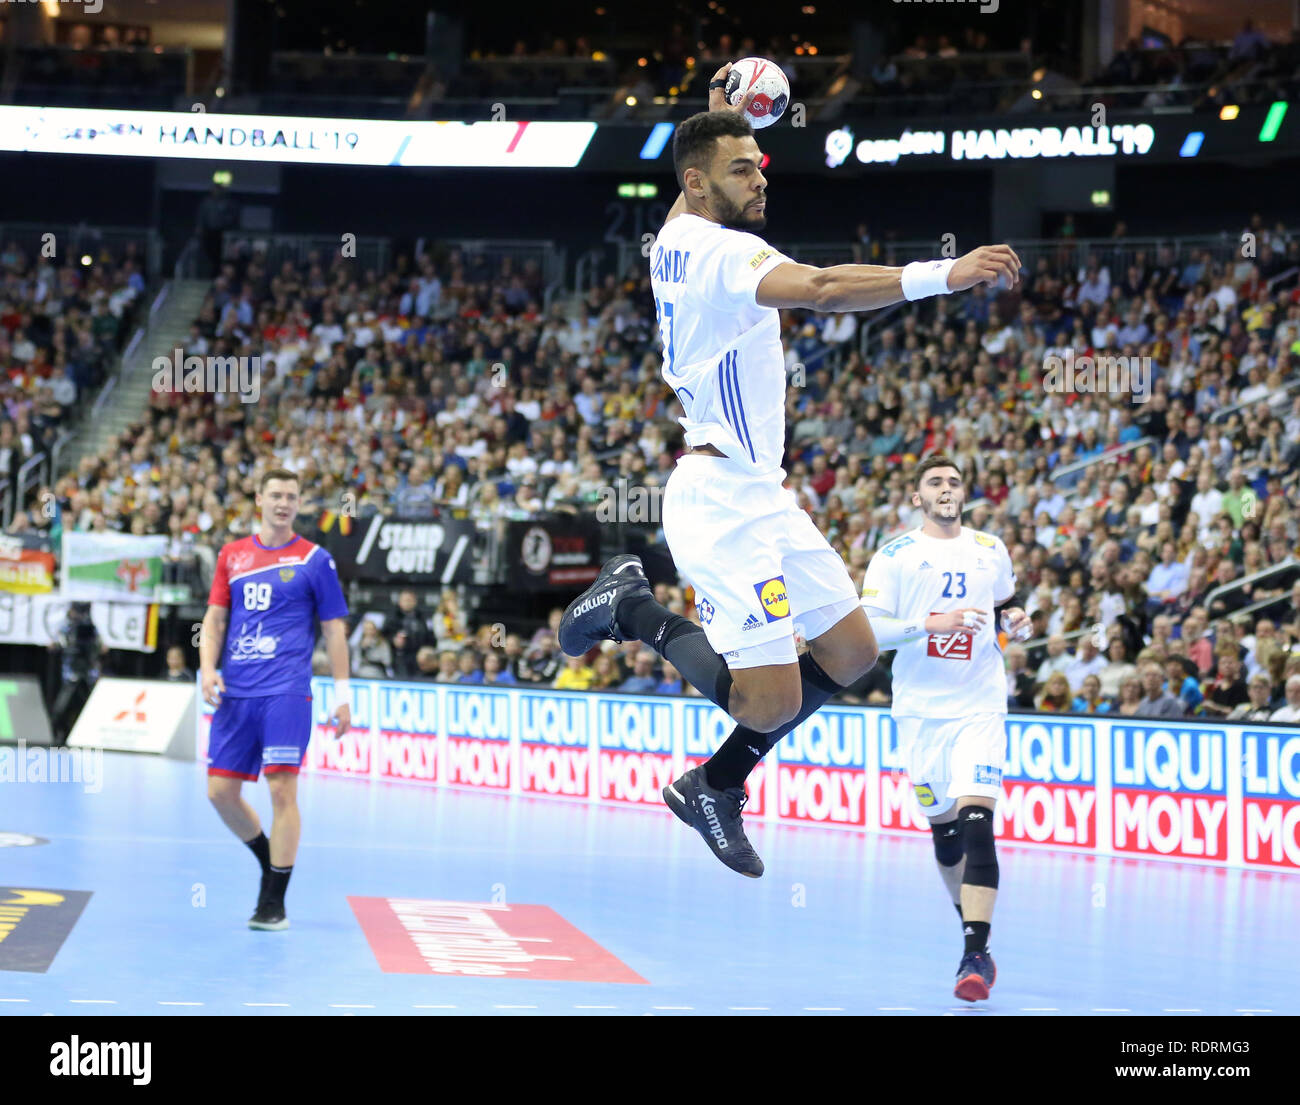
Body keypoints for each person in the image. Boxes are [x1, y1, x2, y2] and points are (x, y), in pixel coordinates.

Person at [557, 71, 1020, 880]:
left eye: (761, 163)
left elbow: (697, 168)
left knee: (851, 652)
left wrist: (718, 109)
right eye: (743, 169)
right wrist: (945, 275)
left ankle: (714, 783)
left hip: (761, 494)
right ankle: (631, 607)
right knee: (765, 700)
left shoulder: (675, 229)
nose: (761, 175)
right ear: (699, 183)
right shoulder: (720, 251)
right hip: (718, 500)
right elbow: (821, 288)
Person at [860, 456, 1032, 1003]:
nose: (946, 489)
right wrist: (929, 624)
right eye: (935, 482)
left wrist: (1016, 620)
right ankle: (970, 928)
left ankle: (974, 952)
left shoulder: (990, 549)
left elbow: (1006, 601)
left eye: (955, 482)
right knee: (946, 833)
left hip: (979, 705)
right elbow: (870, 631)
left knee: (979, 821)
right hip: (919, 713)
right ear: (917, 497)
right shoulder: (894, 558)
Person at [200, 468, 351, 932]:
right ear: (259, 498)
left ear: (299, 503)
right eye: (276, 495)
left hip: (286, 691)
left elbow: (334, 629)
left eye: (292, 496)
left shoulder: (315, 559)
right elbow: (214, 620)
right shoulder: (232, 555)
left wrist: (343, 694)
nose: (284, 503)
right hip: (236, 692)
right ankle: (271, 859)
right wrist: (208, 669)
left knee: (282, 789)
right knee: (220, 793)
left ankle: (273, 902)